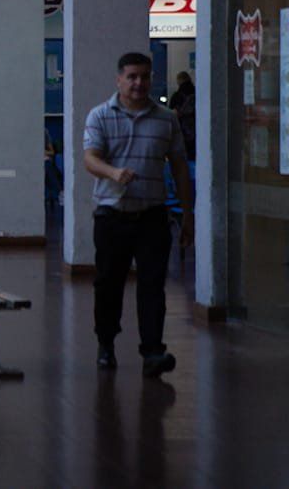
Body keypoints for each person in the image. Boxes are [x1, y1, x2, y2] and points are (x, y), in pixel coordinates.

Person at [83, 52, 193, 378]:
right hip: (112, 216)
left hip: (152, 216)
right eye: (131, 76)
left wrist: (188, 214)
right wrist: (113, 173)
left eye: (144, 76)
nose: (138, 83)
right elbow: (90, 158)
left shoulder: (166, 118)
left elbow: (180, 169)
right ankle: (106, 344)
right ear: (119, 79)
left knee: (152, 285)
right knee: (108, 284)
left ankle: (153, 352)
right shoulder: (100, 115)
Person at [169, 72, 196, 161]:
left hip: (182, 130)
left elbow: (172, 114)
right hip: (196, 129)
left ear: (179, 81)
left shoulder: (177, 96)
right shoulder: (197, 92)